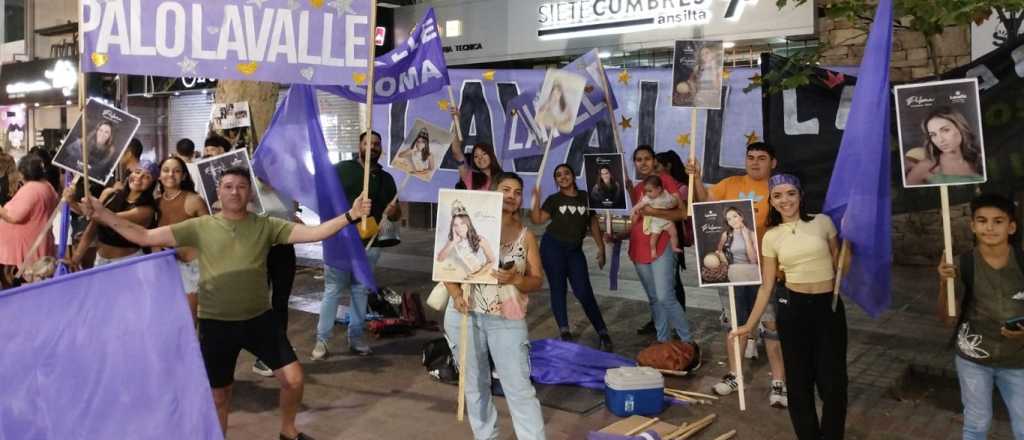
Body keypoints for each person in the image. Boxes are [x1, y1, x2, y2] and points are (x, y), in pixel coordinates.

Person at [80, 167, 372, 440]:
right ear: (218, 192)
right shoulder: (200, 226)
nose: (235, 192)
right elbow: (142, 235)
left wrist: (350, 215)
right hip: (216, 324)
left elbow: (314, 233)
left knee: (294, 379)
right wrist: (104, 214)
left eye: (242, 187)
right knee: (220, 395)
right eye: (228, 187)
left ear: (250, 194)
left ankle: (288, 431)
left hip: (259, 320)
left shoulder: (267, 226)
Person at [732, 174, 846, 440]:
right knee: (798, 383)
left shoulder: (822, 222)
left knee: (834, 385)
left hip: (827, 308)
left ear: (800, 195)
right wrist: (749, 326)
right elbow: (766, 286)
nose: (785, 200)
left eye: (790, 193)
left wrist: (851, 237)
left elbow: (840, 265)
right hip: (794, 311)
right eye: (778, 196)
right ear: (771, 201)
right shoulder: (771, 236)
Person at [444, 172, 546, 440]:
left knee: (519, 388)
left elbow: (536, 281)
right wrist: (455, 294)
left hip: (507, 320)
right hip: (464, 315)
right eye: (506, 189)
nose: (512, 196)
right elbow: (446, 267)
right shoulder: (467, 226)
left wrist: (515, 278)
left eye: (517, 191)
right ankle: (486, 436)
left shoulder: (526, 236)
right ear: (493, 191)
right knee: (475, 386)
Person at [686, 141, 788, 407]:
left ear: (773, 162)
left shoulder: (779, 189)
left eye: (762, 158)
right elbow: (705, 204)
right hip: (732, 273)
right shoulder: (729, 183)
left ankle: (779, 382)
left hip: (766, 271)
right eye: (750, 157)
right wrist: (695, 177)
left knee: (771, 326)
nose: (755, 162)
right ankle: (735, 375)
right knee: (735, 323)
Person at [936, 193, 1024, 440]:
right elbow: (947, 319)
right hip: (973, 360)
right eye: (982, 220)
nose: (990, 227)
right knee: (976, 425)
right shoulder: (961, 264)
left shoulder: (1022, 262)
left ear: (1012, 226)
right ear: (973, 225)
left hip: (1018, 361)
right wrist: (944, 285)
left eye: (998, 221)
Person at [313, 131, 400, 359]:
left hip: (371, 244)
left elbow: (395, 213)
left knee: (360, 291)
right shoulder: (341, 170)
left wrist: (393, 212)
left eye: (376, 143)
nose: (372, 146)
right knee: (332, 290)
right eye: (367, 143)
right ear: (359, 145)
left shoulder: (386, 179)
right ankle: (322, 341)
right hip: (340, 242)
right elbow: (322, 196)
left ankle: (356, 338)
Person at [530, 163, 612, 351]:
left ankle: (602, 331)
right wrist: (536, 199)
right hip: (553, 248)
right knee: (558, 289)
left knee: (583, 291)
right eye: (558, 175)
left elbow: (592, 223)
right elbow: (537, 220)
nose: (563, 177)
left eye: (566, 173)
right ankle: (565, 330)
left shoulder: (587, 197)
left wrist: (601, 248)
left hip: (575, 251)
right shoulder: (553, 199)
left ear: (574, 176)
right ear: (556, 181)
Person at [628, 145, 693, 345]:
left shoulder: (665, 181)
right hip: (638, 247)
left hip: (662, 244)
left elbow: (683, 214)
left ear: (654, 160)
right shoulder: (637, 188)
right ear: (635, 164)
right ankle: (662, 341)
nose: (643, 163)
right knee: (655, 299)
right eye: (639, 159)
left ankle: (688, 342)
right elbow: (636, 220)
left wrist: (654, 213)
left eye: (647, 158)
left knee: (665, 296)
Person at [70, 161, 158, 268]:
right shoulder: (110, 194)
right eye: (137, 172)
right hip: (100, 261)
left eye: (146, 177)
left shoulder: (146, 210)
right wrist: (75, 259)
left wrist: (72, 202)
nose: (139, 178)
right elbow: (91, 229)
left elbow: (109, 220)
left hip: (128, 263)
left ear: (152, 183)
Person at [153, 156, 209, 321]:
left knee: (189, 321)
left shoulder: (194, 200)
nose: (171, 174)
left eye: (176, 171)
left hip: (191, 268)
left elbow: (210, 232)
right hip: (164, 267)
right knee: (167, 318)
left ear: (184, 176)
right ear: (159, 175)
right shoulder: (154, 202)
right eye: (166, 170)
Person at [253, 181, 300, 377]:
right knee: (260, 304)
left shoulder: (286, 187)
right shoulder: (251, 186)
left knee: (280, 301)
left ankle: (279, 347)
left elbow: (291, 215)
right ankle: (262, 356)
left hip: (284, 249)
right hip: (257, 249)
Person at [0, 153, 59, 285]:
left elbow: (13, 217)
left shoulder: (31, 189)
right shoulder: (46, 185)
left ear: (22, 173)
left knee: (26, 282)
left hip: (29, 248)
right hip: (35, 244)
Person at [905, 106, 984, 185]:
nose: (940, 140)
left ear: (960, 128)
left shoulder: (978, 159)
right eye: (933, 135)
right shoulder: (926, 166)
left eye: (945, 130)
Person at [436, 199, 496, 280]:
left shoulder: (480, 240)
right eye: (455, 225)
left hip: (480, 277)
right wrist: (453, 242)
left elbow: (492, 261)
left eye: (462, 223)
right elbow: (440, 259)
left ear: (468, 224)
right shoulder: (452, 241)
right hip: (461, 278)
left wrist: (476, 276)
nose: (459, 228)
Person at [449, 108, 502, 190]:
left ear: (491, 155)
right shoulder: (469, 176)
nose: (480, 158)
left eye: (484, 153)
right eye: (476, 156)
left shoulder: (504, 179)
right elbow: (456, 151)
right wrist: (457, 121)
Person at [631, 175, 683, 259]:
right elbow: (640, 204)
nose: (647, 193)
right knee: (654, 238)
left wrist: (674, 202)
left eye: (650, 191)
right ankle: (653, 250)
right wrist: (634, 209)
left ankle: (674, 247)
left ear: (659, 189)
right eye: (646, 191)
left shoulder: (666, 194)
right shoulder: (647, 198)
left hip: (667, 220)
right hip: (656, 222)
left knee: (674, 233)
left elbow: (673, 202)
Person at [716, 206, 759, 283]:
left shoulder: (752, 234)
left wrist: (747, 238)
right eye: (729, 219)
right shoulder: (726, 235)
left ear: (741, 217)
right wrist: (725, 262)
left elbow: (753, 261)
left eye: (735, 216)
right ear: (728, 223)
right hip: (734, 269)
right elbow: (719, 251)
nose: (732, 221)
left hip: (751, 270)